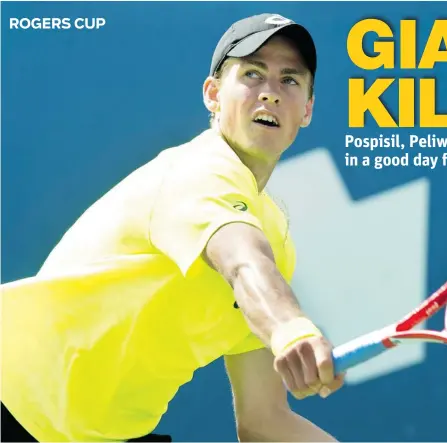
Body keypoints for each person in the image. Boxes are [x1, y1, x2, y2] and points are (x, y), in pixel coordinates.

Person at [1, 12, 344, 442]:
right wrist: (290, 327)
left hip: (99, 433)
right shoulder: (200, 171)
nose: (270, 94)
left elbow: (265, 420)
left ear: (308, 109)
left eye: (289, 80)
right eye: (253, 74)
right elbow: (242, 262)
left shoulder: (275, 234)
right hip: (11, 403)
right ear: (213, 94)